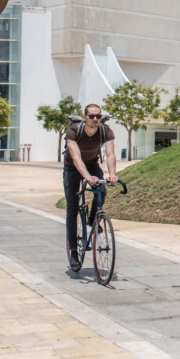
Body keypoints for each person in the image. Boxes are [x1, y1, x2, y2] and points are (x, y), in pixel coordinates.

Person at [63, 103, 117, 269]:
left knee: (102, 189)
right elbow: (76, 157)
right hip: (73, 167)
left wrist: (112, 174)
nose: (95, 119)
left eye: (98, 116)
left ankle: (93, 218)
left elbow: (110, 153)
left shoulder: (105, 130)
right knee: (72, 207)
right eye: (91, 116)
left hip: (92, 163)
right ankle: (73, 251)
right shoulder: (73, 130)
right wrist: (87, 177)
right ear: (84, 118)